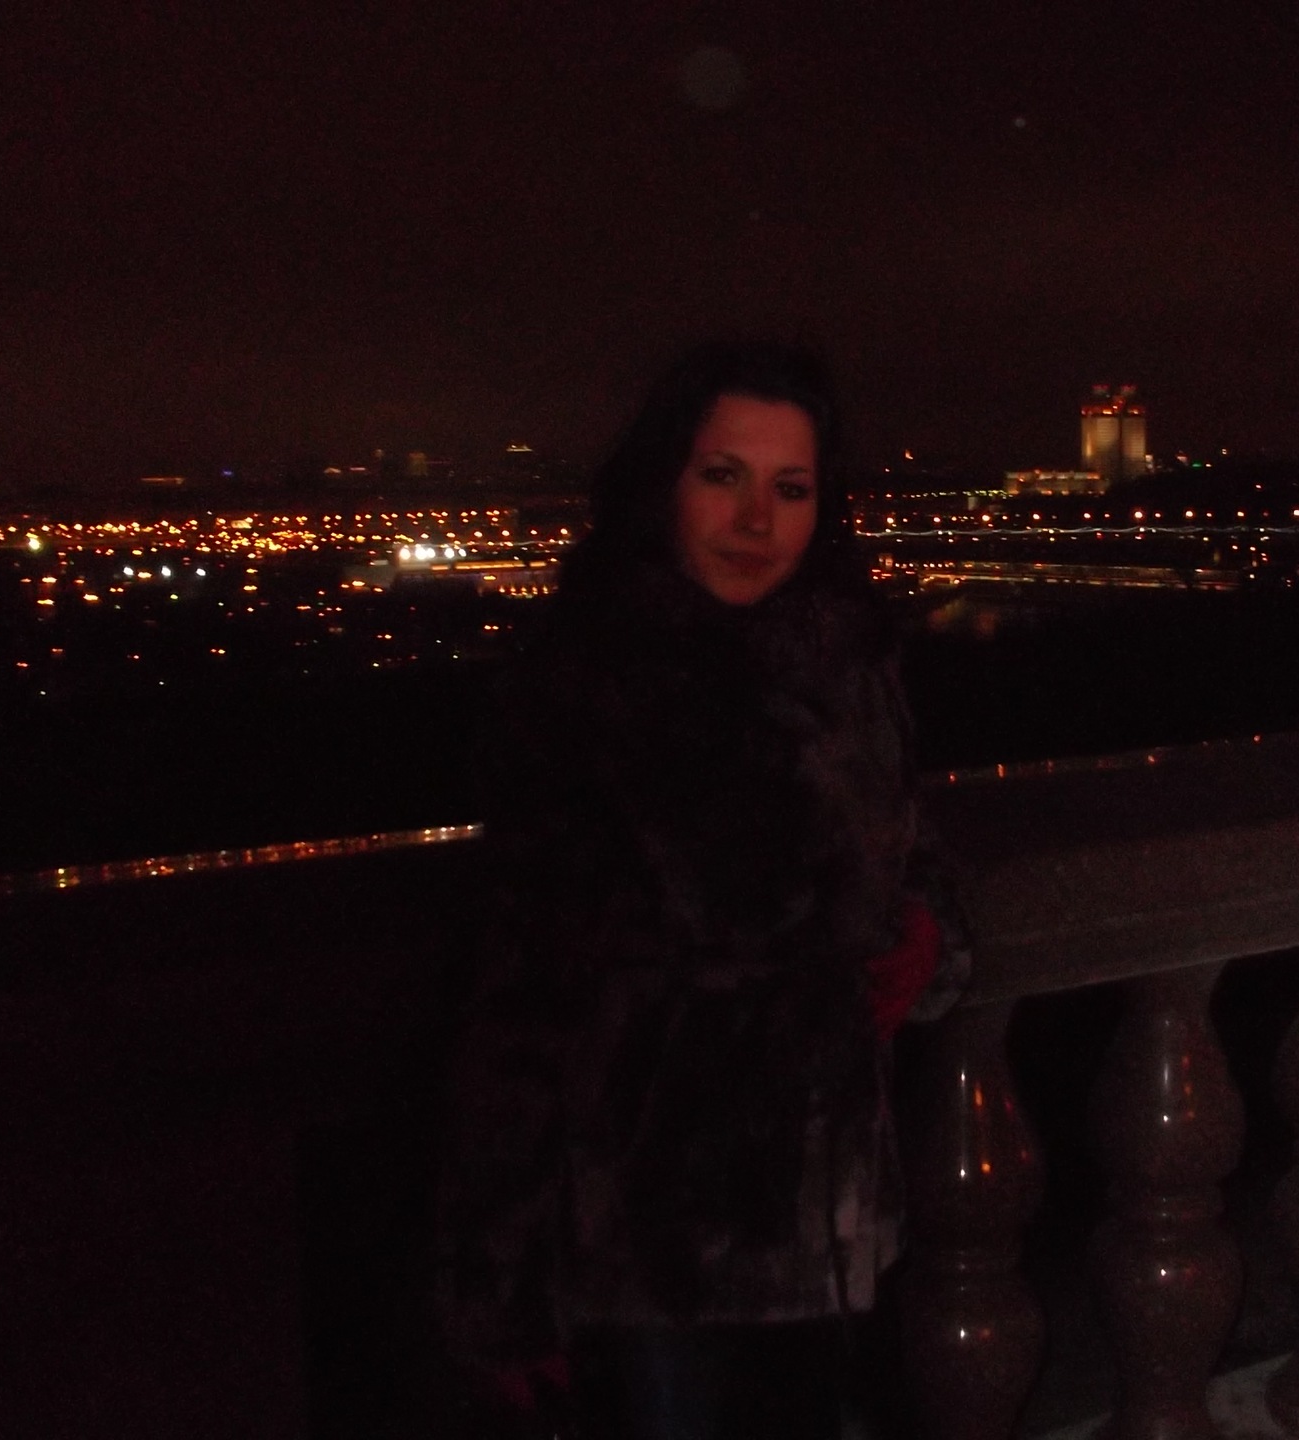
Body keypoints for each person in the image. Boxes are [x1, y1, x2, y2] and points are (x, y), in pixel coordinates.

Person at [433, 341, 970, 1440]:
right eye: (724, 476)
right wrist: (504, 1279)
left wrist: (926, 936)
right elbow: (521, 1000)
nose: (756, 521)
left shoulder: (844, 658)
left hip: (839, 1225)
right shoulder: (586, 687)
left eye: (791, 488)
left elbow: (902, 850)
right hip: (660, 1244)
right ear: (662, 480)